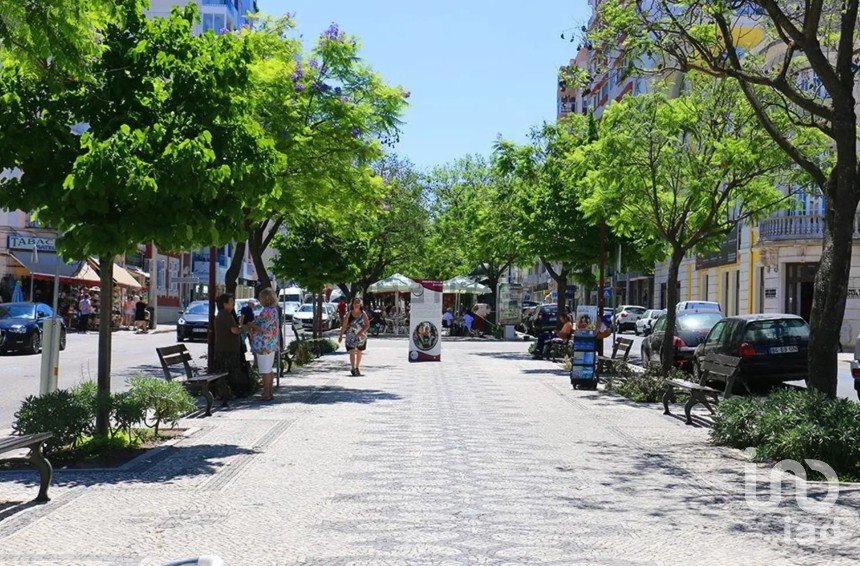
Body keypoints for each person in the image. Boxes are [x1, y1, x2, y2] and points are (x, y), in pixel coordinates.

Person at [244, 288, 279, 401]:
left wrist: (251, 325)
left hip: (264, 344)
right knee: (269, 369)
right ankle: (270, 392)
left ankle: (266, 393)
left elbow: (262, 328)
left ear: (265, 299)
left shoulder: (267, 311)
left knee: (265, 371)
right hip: (271, 343)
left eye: (260, 298)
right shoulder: (273, 310)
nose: (259, 300)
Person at [214, 293, 248, 397]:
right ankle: (231, 393)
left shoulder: (224, 314)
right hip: (227, 350)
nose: (233, 303)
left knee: (229, 372)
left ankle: (228, 393)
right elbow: (234, 330)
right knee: (232, 372)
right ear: (225, 304)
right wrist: (244, 328)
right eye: (231, 301)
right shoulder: (226, 315)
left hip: (226, 349)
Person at [339, 297, 370, 376]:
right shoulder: (349, 314)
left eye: (358, 303)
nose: (356, 304)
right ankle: (353, 368)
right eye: (355, 303)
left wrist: (361, 332)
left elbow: (367, 325)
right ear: (352, 304)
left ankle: (357, 367)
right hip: (350, 335)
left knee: (359, 351)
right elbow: (344, 325)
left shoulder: (363, 314)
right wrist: (340, 336)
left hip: (361, 336)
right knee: (352, 352)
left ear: (360, 304)